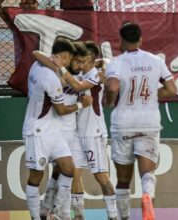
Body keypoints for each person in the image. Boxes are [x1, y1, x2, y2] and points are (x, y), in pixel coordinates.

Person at [105, 22, 177, 220]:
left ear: (121, 40)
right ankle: (147, 195)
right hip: (148, 122)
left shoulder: (117, 62)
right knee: (147, 173)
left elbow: (111, 87)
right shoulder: (155, 60)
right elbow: (172, 89)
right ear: (141, 39)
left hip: (123, 123)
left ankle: (124, 217)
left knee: (123, 180)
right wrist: (153, 94)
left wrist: (110, 101)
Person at [22, 37, 92, 220]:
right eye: (71, 59)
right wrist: (80, 106)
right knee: (35, 177)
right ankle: (37, 217)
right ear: (65, 56)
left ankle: (58, 212)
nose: (71, 63)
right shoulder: (51, 78)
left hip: (51, 129)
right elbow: (60, 110)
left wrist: (57, 68)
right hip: (37, 130)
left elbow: (37, 54)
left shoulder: (36, 66)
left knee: (68, 168)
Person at [49, 41, 118, 220]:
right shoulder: (80, 75)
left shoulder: (94, 76)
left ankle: (113, 215)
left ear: (90, 61)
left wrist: (102, 64)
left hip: (94, 132)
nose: (80, 63)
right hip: (78, 133)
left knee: (100, 176)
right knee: (74, 174)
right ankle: (79, 216)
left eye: (84, 60)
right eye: (78, 60)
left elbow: (79, 87)